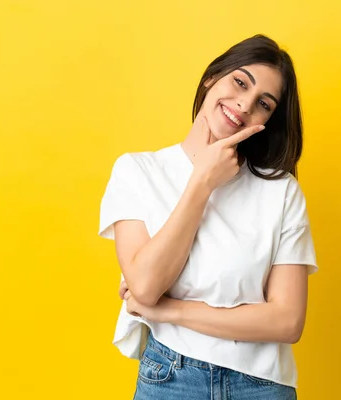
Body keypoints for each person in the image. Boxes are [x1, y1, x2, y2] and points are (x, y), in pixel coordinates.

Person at [98, 34, 318, 400]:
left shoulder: (280, 191)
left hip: (261, 385)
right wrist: (202, 182)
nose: (244, 104)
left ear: (268, 119)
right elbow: (146, 285)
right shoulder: (137, 171)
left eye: (263, 103)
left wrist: (170, 311)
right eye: (239, 82)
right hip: (170, 377)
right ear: (211, 77)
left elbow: (287, 321)